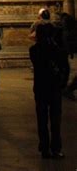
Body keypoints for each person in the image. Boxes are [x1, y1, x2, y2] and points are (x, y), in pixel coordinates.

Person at [30, 23, 65, 159]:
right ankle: (56, 148)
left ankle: (44, 147)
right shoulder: (57, 50)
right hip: (54, 88)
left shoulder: (34, 50)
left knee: (42, 119)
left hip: (40, 88)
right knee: (55, 120)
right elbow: (63, 67)